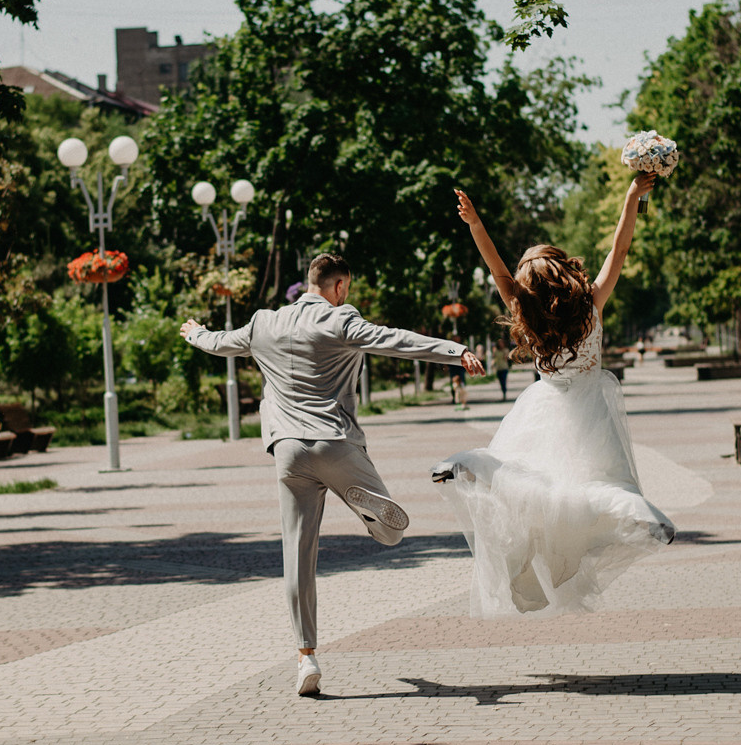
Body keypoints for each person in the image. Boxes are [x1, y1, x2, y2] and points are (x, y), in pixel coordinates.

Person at [183, 254, 483, 696]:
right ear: (339, 286)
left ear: (309, 283)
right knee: (392, 535)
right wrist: (455, 351)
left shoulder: (263, 322)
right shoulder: (341, 321)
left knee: (298, 554)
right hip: (335, 442)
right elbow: (395, 340)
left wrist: (196, 333)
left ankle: (306, 658)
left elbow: (221, 343)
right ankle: (363, 504)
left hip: (287, 451)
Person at [434, 179, 676, 617]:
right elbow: (618, 251)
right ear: (565, 272)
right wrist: (630, 199)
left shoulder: (524, 312)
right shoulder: (591, 305)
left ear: (527, 288)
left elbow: (497, 270)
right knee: (592, 489)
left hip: (541, 410)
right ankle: (636, 508)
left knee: (524, 482)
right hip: (588, 410)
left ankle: (469, 464)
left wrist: (476, 224)